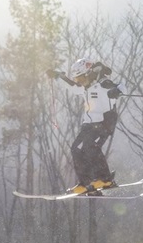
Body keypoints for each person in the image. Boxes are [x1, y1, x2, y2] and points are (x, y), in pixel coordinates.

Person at [46, 58, 124, 195]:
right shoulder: (85, 87)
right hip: (89, 124)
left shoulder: (103, 83)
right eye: (78, 79)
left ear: (88, 73)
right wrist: (58, 76)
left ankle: (105, 179)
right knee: (76, 148)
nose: (79, 82)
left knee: (90, 147)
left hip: (104, 121)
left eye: (81, 78)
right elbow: (72, 86)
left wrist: (116, 92)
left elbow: (121, 87)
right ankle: (86, 183)